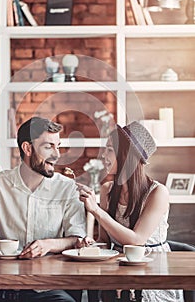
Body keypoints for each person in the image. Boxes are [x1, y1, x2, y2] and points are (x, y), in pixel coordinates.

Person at [0, 116, 86, 302]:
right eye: (48, 147)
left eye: (57, 146)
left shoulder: (68, 188)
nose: (57, 155)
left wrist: (48, 244)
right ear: (27, 148)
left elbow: (77, 238)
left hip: (48, 290)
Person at [77, 121, 184, 302]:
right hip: (119, 272)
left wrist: (96, 210)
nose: (104, 155)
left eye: (110, 149)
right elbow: (105, 240)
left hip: (153, 273)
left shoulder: (158, 193)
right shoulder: (107, 190)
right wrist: (91, 245)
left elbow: (137, 240)